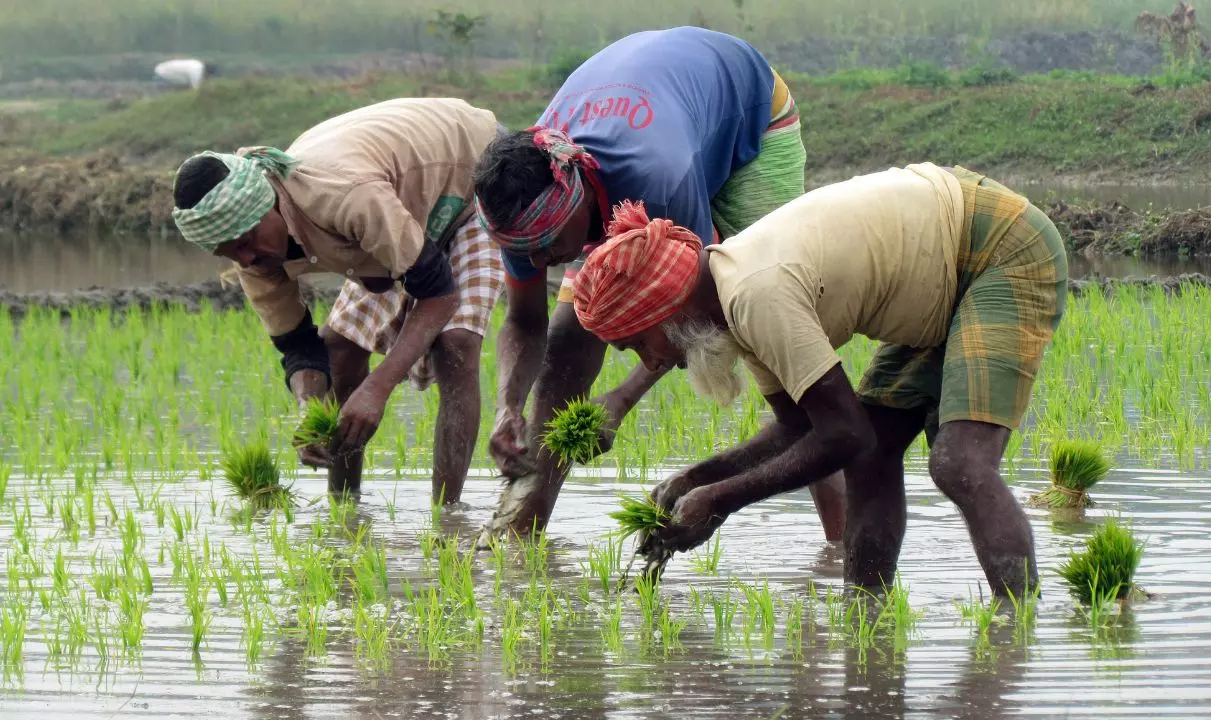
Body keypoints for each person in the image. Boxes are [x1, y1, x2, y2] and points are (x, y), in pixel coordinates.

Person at [571, 163, 1068, 600]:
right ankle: (866, 613)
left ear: (665, 310)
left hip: (995, 249)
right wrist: (696, 479)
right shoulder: (732, 304)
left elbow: (844, 433)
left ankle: (1013, 633)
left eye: (638, 344)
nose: (651, 362)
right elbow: (799, 428)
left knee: (960, 463)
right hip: (938, 273)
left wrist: (721, 501)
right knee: (874, 457)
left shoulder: (756, 294)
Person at [471, 25, 841, 543]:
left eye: (550, 244)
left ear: (576, 197)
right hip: (653, 109)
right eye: (525, 250)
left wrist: (621, 398)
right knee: (566, 338)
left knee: (773, 328)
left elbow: (695, 306)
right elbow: (524, 322)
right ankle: (521, 530)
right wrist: (507, 406)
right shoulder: (526, 204)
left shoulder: (658, 179)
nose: (541, 261)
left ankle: (842, 543)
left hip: (745, 116)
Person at [170, 98, 504, 503]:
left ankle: (447, 518)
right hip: (397, 207)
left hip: (473, 176)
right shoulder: (254, 253)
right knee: (339, 348)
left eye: (245, 243)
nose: (245, 260)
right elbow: (299, 348)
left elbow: (438, 293)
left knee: (456, 346)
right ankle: (344, 509)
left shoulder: (343, 196)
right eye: (228, 254)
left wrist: (377, 388)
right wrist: (311, 408)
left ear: (271, 205)